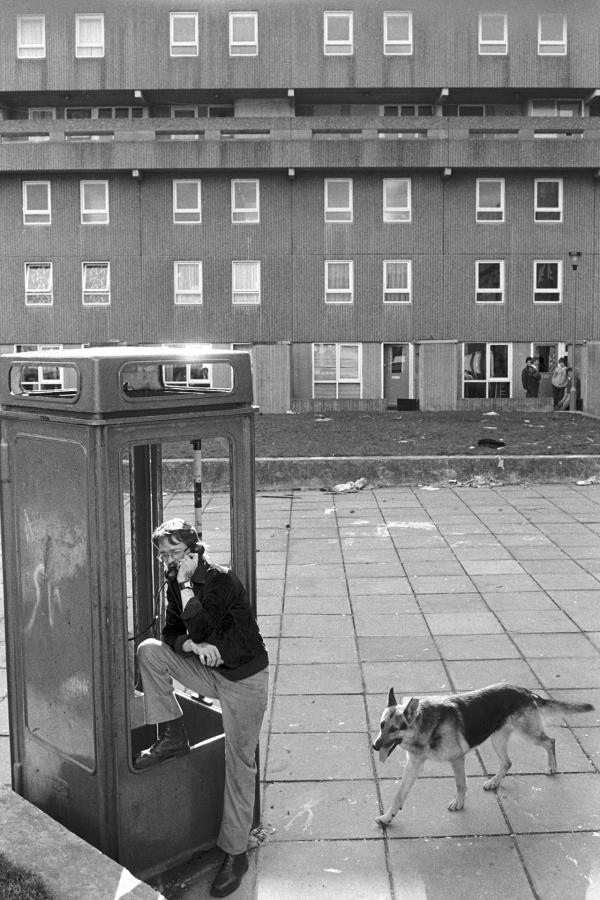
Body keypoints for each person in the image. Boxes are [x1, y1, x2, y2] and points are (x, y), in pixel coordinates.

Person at [135, 519, 269, 899]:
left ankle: (235, 853)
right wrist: (191, 647)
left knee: (239, 763)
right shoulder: (175, 583)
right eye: (164, 555)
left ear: (195, 550)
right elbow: (171, 635)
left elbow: (207, 628)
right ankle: (173, 734)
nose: (169, 561)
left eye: (175, 553)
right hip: (211, 673)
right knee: (149, 652)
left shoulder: (222, 581)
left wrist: (184, 590)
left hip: (244, 680)